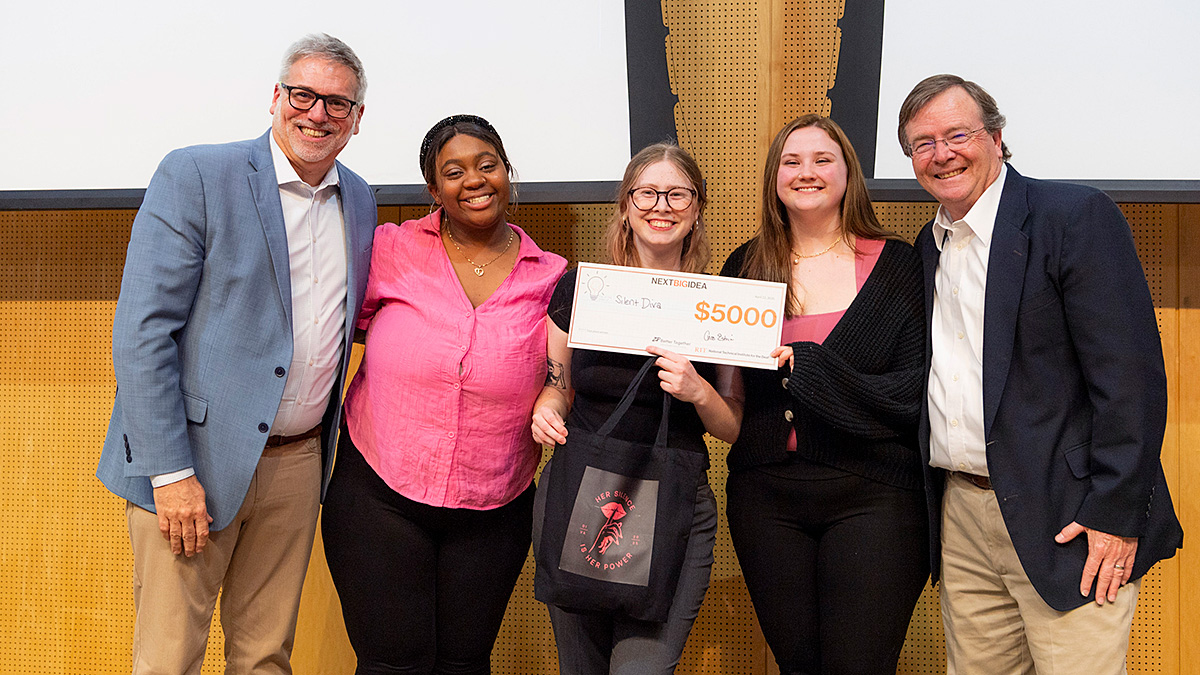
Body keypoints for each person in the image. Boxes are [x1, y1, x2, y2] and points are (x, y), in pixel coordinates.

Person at [95, 34, 374, 673]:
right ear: (275, 97)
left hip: (298, 466)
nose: (318, 113)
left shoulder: (358, 198)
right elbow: (142, 333)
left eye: (338, 103)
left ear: (358, 121)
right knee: (170, 659)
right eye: (303, 94)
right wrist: (169, 473)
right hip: (194, 466)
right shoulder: (196, 174)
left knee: (266, 657)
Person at [899, 74, 1183, 673]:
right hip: (964, 516)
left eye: (958, 134)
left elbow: (1130, 380)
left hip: (1070, 518)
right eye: (922, 143)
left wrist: (1114, 512)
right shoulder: (932, 244)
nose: (942, 153)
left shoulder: (1073, 217)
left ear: (997, 139)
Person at [320, 114, 566, 675]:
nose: (474, 180)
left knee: (464, 662)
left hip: (494, 506)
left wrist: (555, 396)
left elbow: (561, 373)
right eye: (453, 172)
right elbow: (338, 327)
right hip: (379, 494)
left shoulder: (551, 275)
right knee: (393, 663)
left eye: (487, 165)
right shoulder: (391, 248)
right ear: (434, 190)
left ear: (508, 173)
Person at [719, 115, 928, 674]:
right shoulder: (743, 268)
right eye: (791, 161)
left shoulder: (899, 265)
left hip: (876, 497)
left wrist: (813, 369)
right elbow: (731, 403)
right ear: (773, 178)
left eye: (822, 159)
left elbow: (911, 393)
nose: (805, 172)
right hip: (765, 500)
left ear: (847, 174)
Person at [531, 142, 742, 675]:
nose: (661, 206)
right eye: (646, 193)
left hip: (673, 506)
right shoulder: (583, 289)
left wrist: (698, 390)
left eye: (677, 194)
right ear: (626, 206)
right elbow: (557, 386)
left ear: (696, 210)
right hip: (581, 496)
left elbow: (733, 426)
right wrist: (547, 406)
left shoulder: (720, 305)